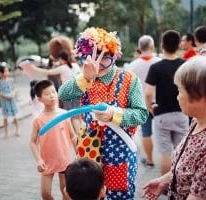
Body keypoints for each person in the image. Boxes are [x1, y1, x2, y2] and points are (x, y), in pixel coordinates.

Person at [58, 27, 148, 199]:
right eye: (92, 57)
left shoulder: (129, 79)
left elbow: (141, 114)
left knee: (118, 195)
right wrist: (85, 78)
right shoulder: (83, 78)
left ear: (114, 56)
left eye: (104, 57)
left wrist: (114, 114)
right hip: (89, 153)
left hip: (119, 151)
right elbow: (63, 94)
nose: (98, 64)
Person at [143, 55, 206, 200]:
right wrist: (166, 180)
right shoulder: (200, 119)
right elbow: (191, 166)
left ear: (200, 95)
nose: (177, 96)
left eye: (180, 90)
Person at [145, 30, 189, 176]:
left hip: (162, 114)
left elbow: (148, 93)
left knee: (165, 153)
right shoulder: (185, 65)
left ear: (162, 45)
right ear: (178, 45)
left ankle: (165, 188)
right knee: (181, 152)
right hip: (182, 113)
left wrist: (150, 107)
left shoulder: (156, 67)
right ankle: (180, 185)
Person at [30, 80, 77, 200]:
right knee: (45, 193)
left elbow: (73, 136)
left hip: (65, 159)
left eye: (53, 92)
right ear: (39, 99)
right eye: (47, 94)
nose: (52, 95)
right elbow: (32, 142)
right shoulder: (38, 120)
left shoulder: (64, 114)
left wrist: (78, 152)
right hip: (47, 161)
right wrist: (39, 160)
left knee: (66, 191)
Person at [128, 35, 161, 167]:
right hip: (159, 102)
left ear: (140, 47)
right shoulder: (159, 62)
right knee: (164, 132)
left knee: (146, 132)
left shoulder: (133, 65)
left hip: (141, 103)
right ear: (152, 46)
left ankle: (150, 159)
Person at [0, 67, 19, 138]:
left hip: (12, 101)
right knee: (5, 117)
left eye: (7, 71)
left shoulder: (11, 80)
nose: (7, 72)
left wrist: (12, 94)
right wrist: (4, 95)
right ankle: (6, 133)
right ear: (2, 73)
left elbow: (15, 89)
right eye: (6, 71)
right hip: (5, 102)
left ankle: (17, 131)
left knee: (15, 116)